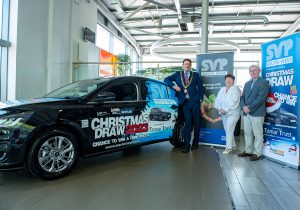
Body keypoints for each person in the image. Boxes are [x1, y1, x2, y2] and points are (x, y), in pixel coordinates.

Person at [164, 59, 204, 153]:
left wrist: (200, 100)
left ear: (190, 66)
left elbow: (201, 88)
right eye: (185, 64)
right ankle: (186, 145)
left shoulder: (195, 75)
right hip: (184, 103)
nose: (187, 65)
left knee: (197, 123)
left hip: (195, 102)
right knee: (187, 124)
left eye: (188, 64)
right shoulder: (178, 74)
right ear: (182, 65)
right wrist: (174, 86)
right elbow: (166, 80)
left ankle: (195, 143)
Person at [238, 65, 269, 161]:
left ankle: (257, 153)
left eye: (255, 70)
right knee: (247, 133)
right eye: (250, 71)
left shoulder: (264, 82)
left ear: (259, 71)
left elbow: (261, 98)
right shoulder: (247, 83)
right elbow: (242, 97)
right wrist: (243, 107)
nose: (253, 72)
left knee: (258, 134)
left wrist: (250, 108)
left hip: (257, 113)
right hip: (246, 113)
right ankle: (248, 151)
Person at [215, 74, 241, 154]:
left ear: (233, 81)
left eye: (230, 79)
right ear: (225, 80)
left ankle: (228, 148)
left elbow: (234, 101)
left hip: (233, 113)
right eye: (227, 79)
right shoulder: (222, 89)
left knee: (229, 129)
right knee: (227, 130)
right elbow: (217, 100)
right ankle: (233, 145)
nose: (228, 81)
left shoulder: (236, 89)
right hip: (223, 113)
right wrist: (219, 108)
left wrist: (225, 109)